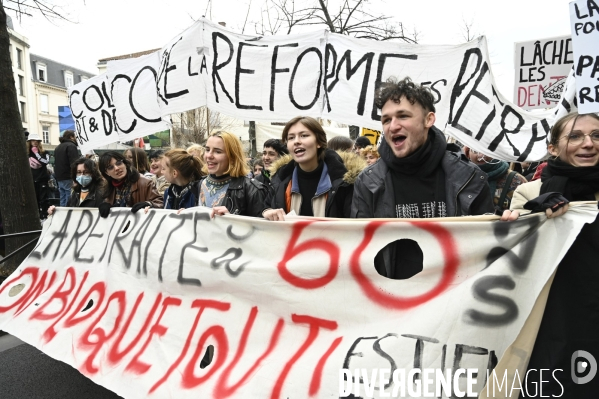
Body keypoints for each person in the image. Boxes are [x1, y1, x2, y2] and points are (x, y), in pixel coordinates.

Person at [351, 77, 508, 279]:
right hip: (392, 300)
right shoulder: (368, 182)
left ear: (429, 120)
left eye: (403, 116)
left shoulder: (469, 177)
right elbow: (358, 249)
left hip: (451, 298)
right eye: (386, 120)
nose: (393, 126)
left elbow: (486, 246)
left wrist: (513, 222)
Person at [510, 112, 599, 397]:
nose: (588, 143)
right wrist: (529, 217)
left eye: (597, 135)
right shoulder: (528, 191)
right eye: (575, 136)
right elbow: (515, 254)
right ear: (553, 148)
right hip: (552, 316)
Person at [263, 116, 364, 221]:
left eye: (304, 135)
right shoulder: (279, 180)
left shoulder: (345, 183)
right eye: (291, 138)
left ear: (319, 142)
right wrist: (267, 212)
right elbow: (265, 209)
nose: (296, 141)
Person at [201, 131, 268, 217]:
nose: (209, 156)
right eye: (207, 150)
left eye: (217, 151)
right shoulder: (197, 185)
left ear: (232, 157)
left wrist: (232, 220)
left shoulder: (252, 190)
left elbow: (261, 228)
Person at [97, 151, 163, 218]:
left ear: (125, 164)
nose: (116, 168)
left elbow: (160, 203)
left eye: (118, 163)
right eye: (110, 167)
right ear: (107, 173)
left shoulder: (145, 182)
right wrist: (106, 205)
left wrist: (149, 204)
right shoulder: (108, 188)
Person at [463, 147, 527, 212]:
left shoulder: (517, 181)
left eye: (487, 150)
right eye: (475, 150)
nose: (481, 155)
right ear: (468, 152)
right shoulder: (460, 177)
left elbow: (526, 214)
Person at [27, 132, 51, 219]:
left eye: (37, 140)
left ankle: (45, 215)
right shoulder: (27, 153)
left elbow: (45, 162)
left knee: (44, 199)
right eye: (33, 140)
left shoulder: (45, 152)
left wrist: (37, 154)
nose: (35, 142)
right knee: (35, 199)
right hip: (32, 180)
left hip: (42, 179)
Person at [53, 130, 79, 206]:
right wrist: (75, 176)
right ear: (71, 137)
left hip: (60, 176)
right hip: (68, 175)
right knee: (69, 196)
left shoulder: (58, 147)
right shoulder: (71, 146)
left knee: (63, 197)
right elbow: (74, 163)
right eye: (75, 136)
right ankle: (68, 214)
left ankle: (62, 214)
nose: (76, 138)